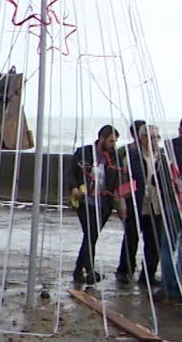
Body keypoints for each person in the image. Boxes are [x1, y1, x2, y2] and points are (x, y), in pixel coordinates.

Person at [64, 125, 126, 285]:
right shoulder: (83, 152)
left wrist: (120, 204)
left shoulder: (115, 157)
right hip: (85, 201)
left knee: (91, 236)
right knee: (90, 234)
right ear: (102, 138)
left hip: (105, 202)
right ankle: (89, 270)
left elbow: (118, 180)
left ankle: (79, 270)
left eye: (115, 141)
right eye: (111, 141)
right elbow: (70, 172)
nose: (113, 144)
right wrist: (74, 187)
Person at [127, 125, 182, 300]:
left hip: (169, 204)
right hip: (156, 203)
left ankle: (168, 286)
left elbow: (156, 179)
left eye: (156, 137)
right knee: (172, 248)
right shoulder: (135, 155)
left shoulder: (170, 150)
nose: (154, 141)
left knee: (165, 247)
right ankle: (176, 287)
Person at [117, 120, 147, 284]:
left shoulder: (151, 152)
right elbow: (120, 178)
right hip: (131, 199)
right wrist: (120, 203)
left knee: (147, 237)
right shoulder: (126, 152)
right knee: (131, 236)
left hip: (147, 201)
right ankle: (125, 269)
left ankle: (142, 271)